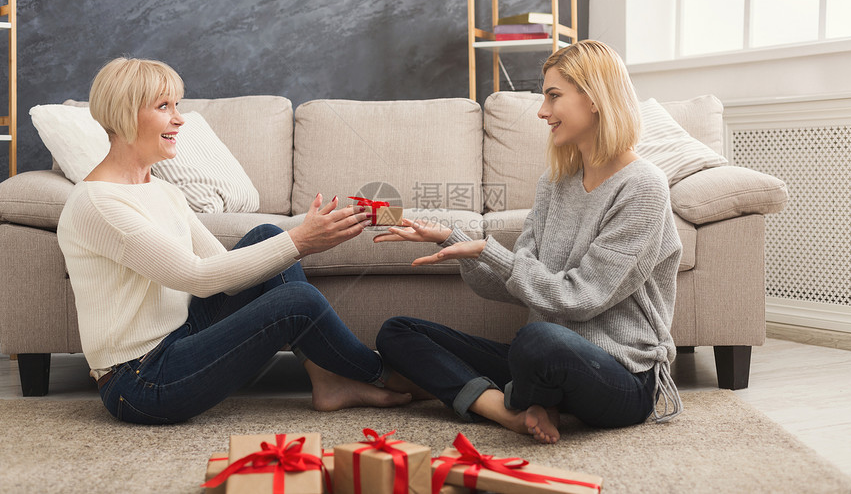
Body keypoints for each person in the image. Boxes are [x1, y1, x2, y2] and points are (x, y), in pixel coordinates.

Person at [57, 57, 411, 425]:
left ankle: (328, 381)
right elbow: (199, 278)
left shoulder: (161, 189)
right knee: (297, 300)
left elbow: (222, 272)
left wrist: (296, 240)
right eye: (164, 107)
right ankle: (384, 374)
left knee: (266, 237)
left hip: (179, 335)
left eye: (178, 104)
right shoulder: (98, 204)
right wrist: (301, 241)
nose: (180, 118)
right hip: (140, 380)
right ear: (126, 115)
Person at [374, 40, 683, 444]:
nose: (542, 111)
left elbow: (583, 297)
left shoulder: (643, 186)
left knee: (537, 341)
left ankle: (515, 394)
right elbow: (517, 285)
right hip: (546, 363)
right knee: (396, 333)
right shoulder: (553, 184)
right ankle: (509, 409)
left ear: (594, 99)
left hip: (620, 377)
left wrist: (488, 250)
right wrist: (455, 240)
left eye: (553, 97)